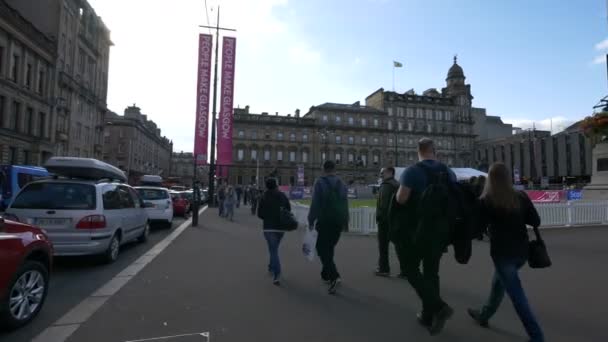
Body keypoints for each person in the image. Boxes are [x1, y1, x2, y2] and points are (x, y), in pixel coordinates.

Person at [467, 162, 545, 342]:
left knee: (518, 298)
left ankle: (537, 337)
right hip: (522, 252)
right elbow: (536, 221)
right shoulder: (521, 196)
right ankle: (484, 315)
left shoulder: (487, 200)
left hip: (503, 254)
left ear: (491, 179)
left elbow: (475, 230)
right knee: (498, 284)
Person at [395, 138, 456, 335]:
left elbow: (401, 199)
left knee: (409, 268)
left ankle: (438, 307)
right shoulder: (448, 171)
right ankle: (429, 315)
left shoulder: (412, 171)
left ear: (418, 151)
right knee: (432, 272)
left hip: (418, 228)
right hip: (441, 229)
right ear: (434, 151)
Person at [308, 160, 349, 295]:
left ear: (323, 169)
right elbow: (345, 204)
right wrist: (345, 222)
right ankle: (325, 274)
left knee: (321, 248)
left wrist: (310, 220)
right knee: (329, 247)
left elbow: (315, 204)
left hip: (325, 220)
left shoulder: (320, 182)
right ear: (334, 169)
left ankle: (334, 276)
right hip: (338, 221)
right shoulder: (342, 183)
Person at [257, 177, 291, 285]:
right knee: (274, 249)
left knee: (273, 250)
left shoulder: (264, 197)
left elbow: (260, 214)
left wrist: (268, 217)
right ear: (276, 185)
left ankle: (277, 274)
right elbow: (288, 209)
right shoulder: (282, 195)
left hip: (269, 227)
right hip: (281, 227)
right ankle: (271, 267)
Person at [375, 167, 401, 277]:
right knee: (399, 246)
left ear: (390, 172)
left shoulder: (386, 185)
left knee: (383, 246)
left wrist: (381, 217)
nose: (380, 174)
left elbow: (383, 205)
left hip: (385, 221)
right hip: (396, 220)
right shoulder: (397, 184)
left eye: (382, 172)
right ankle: (406, 270)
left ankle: (384, 268)